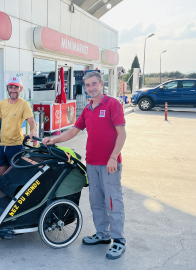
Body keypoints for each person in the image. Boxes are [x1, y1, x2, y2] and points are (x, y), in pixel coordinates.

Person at [42, 71, 127, 260]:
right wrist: (53, 140)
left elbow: (122, 134)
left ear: (101, 84)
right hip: (92, 163)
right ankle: (102, 235)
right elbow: (73, 131)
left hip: (109, 164)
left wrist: (113, 157)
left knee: (113, 202)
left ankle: (119, 240)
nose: (91, 88)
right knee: (96, 201)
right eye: (87, 85)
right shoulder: (88, 109)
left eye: (94, 84)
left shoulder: (112, 104)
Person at [0, 77, 37, 179]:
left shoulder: (24, 104)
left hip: (17, 146)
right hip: (3, 145)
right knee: (1, 177)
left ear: (21, 89)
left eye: (16, 87)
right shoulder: (2, 104)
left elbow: (32, 122)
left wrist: (32, 132)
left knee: (16, 177)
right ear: (7, 88)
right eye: (11, 87)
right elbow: (3, 120)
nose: (13, 90)